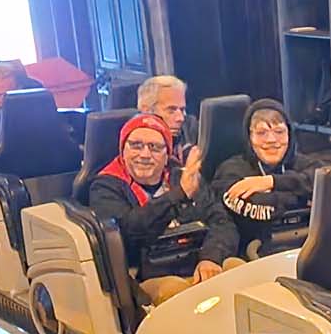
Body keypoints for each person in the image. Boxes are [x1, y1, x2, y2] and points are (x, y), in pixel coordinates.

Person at [85, 115, 242, 305]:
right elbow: (127, 232)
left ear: (167, 155)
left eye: (155, 147)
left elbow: (222, 222)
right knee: (177, 292)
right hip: (144, 276)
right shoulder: (105, 186)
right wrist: (178, 195)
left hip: (195, 261)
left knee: (238, 269)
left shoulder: (182, 177)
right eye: (135, 145)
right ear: (122, 150)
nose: (144, 154)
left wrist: (211, 258)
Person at [214, 99, 313, 257]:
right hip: (253, 255)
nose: (271, 140)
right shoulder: (231, 170)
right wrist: (303, 196)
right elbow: (257, 206)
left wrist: (271, 182)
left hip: (305, 252)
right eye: (261, 133)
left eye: (279, 132)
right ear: (249, 137)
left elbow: (326, 182)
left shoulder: (303, 162)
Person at [137, 74, 196, 149]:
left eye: (182, 110)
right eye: (171, 111)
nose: (181, 118)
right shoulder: (133, 147)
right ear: (147, 111)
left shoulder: (190, 130)